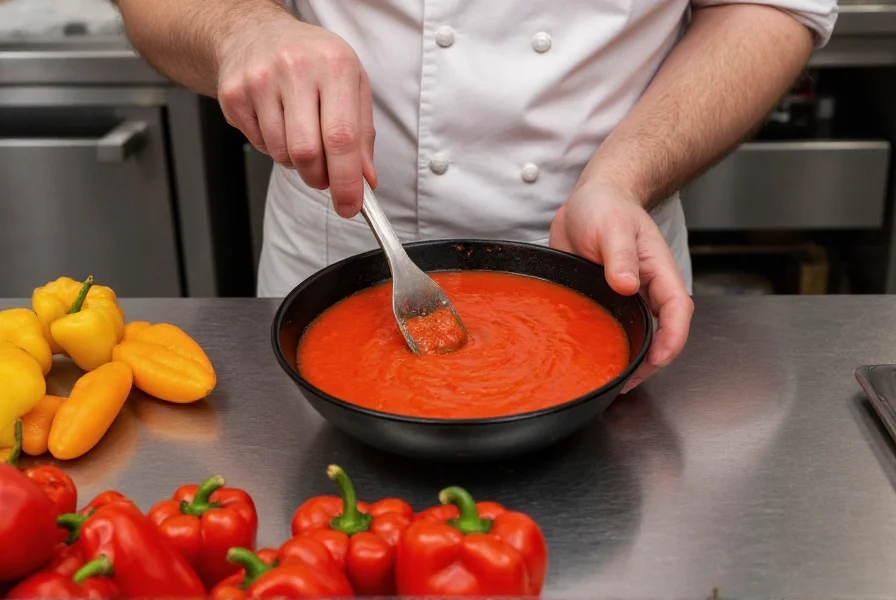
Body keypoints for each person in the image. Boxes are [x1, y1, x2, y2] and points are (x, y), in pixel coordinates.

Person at [115, 0, 837, 389]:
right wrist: (244, 28)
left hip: (608, 252)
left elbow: (768, 6)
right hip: (339, 252)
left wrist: (625, 177)